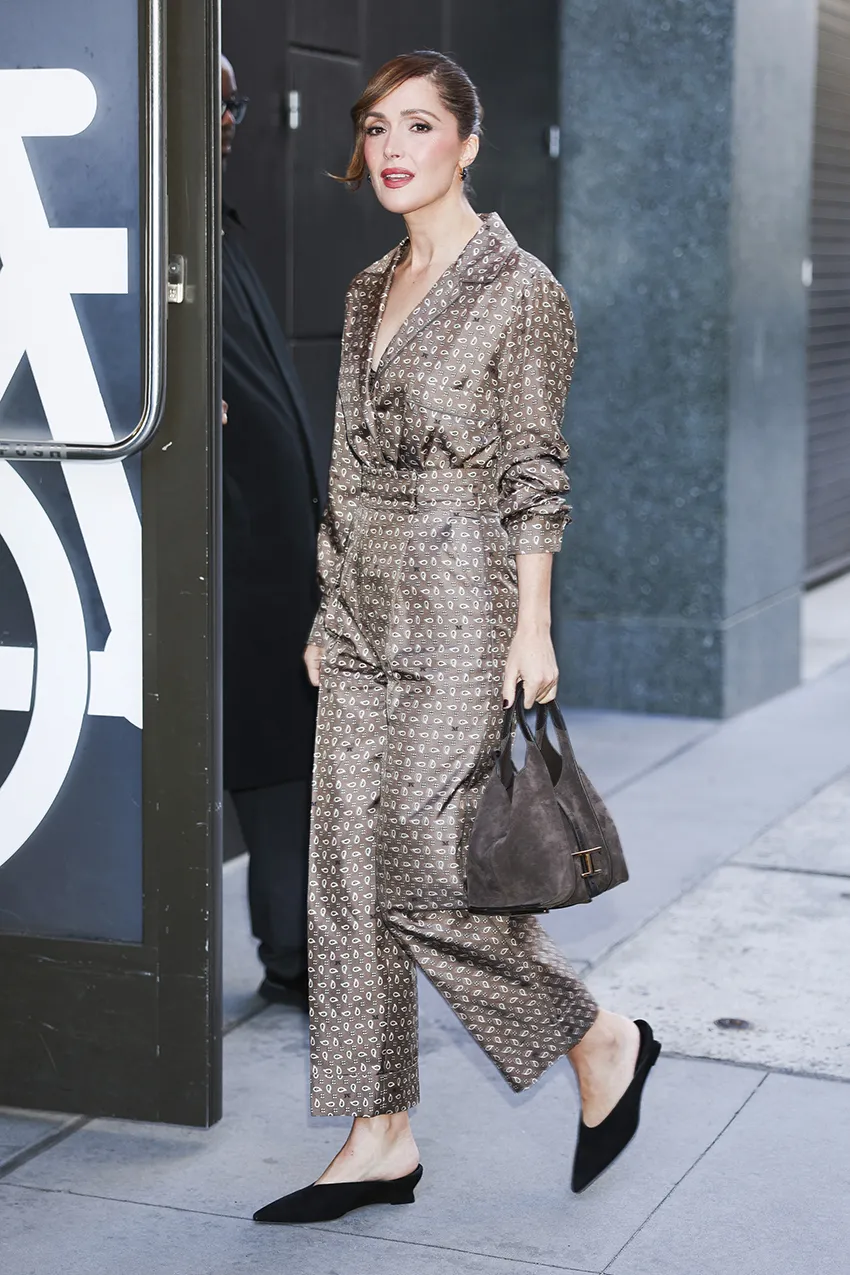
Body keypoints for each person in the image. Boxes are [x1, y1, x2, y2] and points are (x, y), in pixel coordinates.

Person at [253, 51, 660, 1224]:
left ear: (466, 143)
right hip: (366, 609)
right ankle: (379, 1134)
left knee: (431, 879)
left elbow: (537, 467)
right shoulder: (367, 285)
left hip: (466, 605)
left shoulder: (518, 289)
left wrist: (532, 627)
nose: (391, 147)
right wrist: (331, 608)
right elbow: (347, 466)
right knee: (343, 875)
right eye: (376, 125)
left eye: (418, 125)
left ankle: (600, 1039)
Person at [221, 55, 324, 1009]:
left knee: (284, 760)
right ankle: (291, 954)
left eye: (233, 101)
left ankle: (293, 955)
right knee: (272, 757)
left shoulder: (216, 232)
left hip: (278, 565)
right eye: (207, 98)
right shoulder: (146, 241)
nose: (225, 117)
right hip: (221, 569)